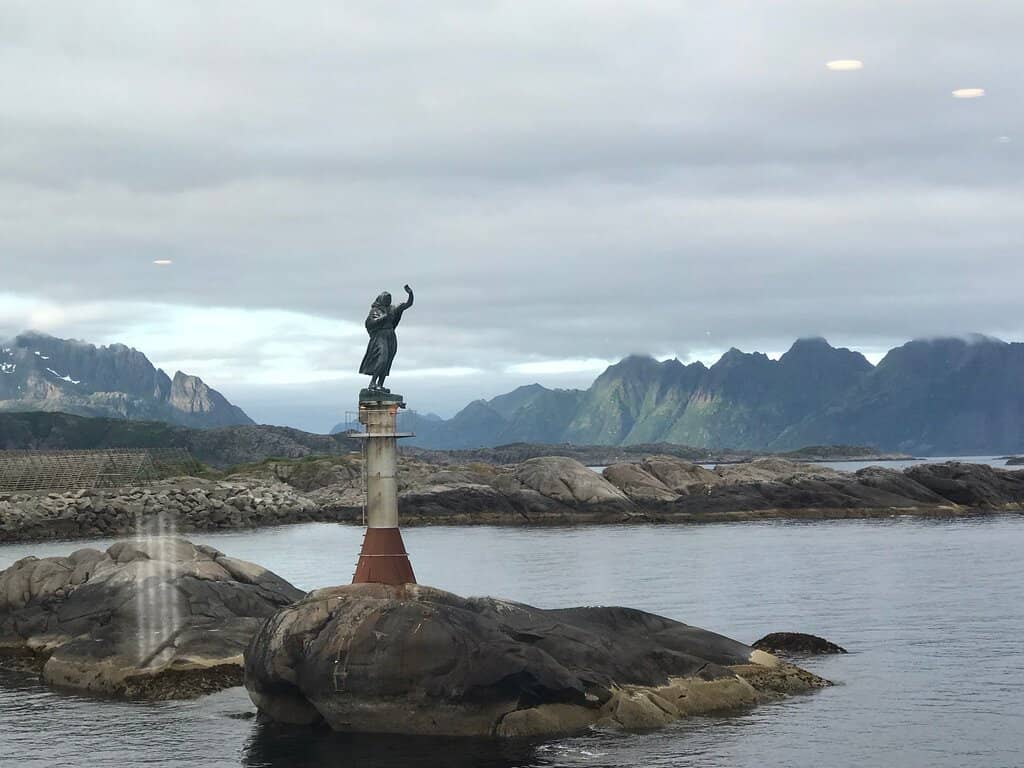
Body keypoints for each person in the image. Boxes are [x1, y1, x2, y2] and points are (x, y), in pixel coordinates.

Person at [359, 284, 413, 392]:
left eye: (389, 299)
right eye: (386, 299)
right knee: (382, 359)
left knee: (388, 360)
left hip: (391, 337)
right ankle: (373, 382)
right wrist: (384, 317)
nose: (388, 301)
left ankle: (380, 384)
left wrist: (410, 293)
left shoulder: (392, 309)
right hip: (380, 337)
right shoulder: (375, 311)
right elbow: (370, 323)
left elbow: (407, 304)